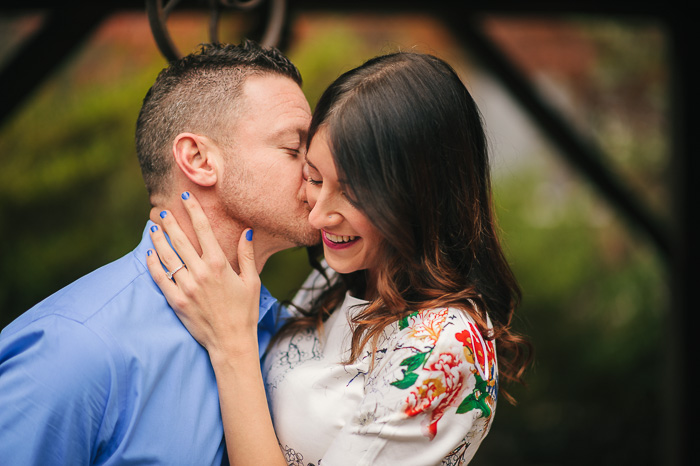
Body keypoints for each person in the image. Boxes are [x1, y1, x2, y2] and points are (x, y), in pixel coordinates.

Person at [147, 52, 531, 465]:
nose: (317, 215)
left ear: (420, 197)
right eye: (313, 177)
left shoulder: (444, 347)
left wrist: (232, 345)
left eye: (350, 192)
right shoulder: (344, 273)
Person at [0, 40, 318, 464]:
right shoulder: (75, 348)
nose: (316, 171)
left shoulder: (289, 335)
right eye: (294, 149)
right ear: (199, 159)